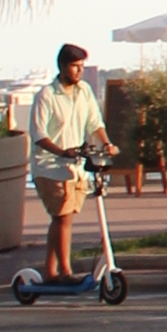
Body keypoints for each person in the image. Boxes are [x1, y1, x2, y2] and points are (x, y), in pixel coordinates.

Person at [30, 43, 114, 282]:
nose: (79, 71)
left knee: (61, 218)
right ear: (62, 66)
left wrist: (107, 144)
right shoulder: (46, 96)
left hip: (75, 168)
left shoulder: (84, 91)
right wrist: (61, 152)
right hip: (49, 167)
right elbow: (39, 135)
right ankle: (65, 272)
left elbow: (94, 123)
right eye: (75, 66)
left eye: (81, 67)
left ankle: (50, 271)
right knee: (63, 217)